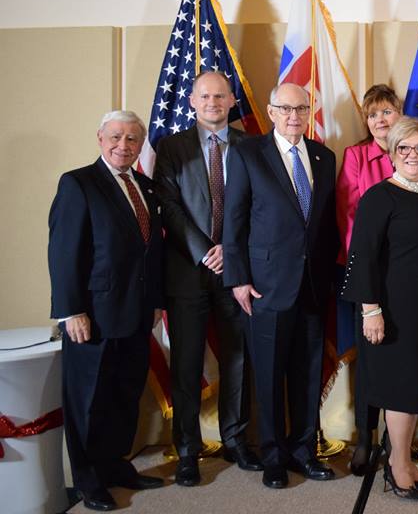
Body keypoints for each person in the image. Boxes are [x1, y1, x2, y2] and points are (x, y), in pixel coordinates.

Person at [222, 83, 339, 489]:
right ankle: (272, 456)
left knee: (308, 372)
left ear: (309, 112)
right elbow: (233, 222)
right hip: (265, 287)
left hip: (312, 285)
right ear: (271, 112)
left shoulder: (325, 157)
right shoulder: (248, 154)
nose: (294, 116)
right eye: (286, 108)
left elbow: (326, 226)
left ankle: (303, 451)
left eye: (301, 108)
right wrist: (237, 278)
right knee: (269, 375)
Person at [48, 110, 165, 511]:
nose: (123, 146)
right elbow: (64, 254)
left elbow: (151, 255)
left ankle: (115, 465)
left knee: (124, 395)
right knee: (88, 401)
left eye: (132, 140)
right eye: (115, 137)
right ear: (100, 138)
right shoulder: (78, 183)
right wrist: (70, 311)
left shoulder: (146, 188)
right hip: (92, 317)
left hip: (136, 315)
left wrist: (155, 305)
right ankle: (88, 480)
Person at [342, 116, 418, 501]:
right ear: (392, 152)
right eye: (404, 148)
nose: (413, 155)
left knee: (413, 389)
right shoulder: (380, 197)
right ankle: (396, 467)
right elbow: (362, 258)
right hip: (392, 310)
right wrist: (370, 310)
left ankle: (404, 461)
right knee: (398, 390)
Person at [153, 71, 261, 486]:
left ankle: (235, 439)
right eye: (205, 96)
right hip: (187, 273)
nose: (213, 102)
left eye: (220, 95)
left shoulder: (253, 146)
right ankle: (187, 449)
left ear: (233, 99)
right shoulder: (172, 146)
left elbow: (259, 205)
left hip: (238, 272)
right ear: (192, 101)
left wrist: (230, 252)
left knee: (238, 358)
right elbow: (168, 204)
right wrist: (205, 251)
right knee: (186, 363)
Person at [336, 84, 418, 475]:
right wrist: (368, 287)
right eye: (373, 114)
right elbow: (349, 218)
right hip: (369, 278)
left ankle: (399, 451)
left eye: (387, 112)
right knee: (372, 364)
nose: (381, 120)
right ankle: (366, 438)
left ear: (400, 116)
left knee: (405, 366)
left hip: (412, 282)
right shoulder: (356, 156)